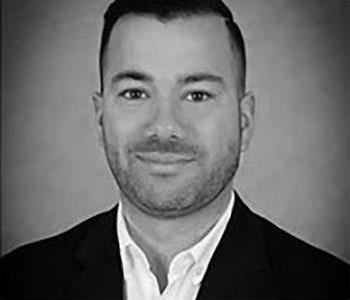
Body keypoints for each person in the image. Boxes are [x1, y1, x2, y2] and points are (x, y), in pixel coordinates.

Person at [1, 0, 349, 299]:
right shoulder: (17, 280)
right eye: (135, 93)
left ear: (244, 121)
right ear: (100, 116)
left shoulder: (329, 288)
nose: (165, 127)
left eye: (197, 95)